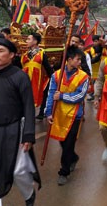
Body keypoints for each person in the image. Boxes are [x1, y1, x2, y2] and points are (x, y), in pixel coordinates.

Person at [0, 38, 41, 206]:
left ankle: (29, 194)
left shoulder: (20, 76)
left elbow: (28, 107)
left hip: (14, 129)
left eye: (1, 51)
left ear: (11, 55)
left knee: (17, 171)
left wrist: (28, 135)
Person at [45, 46, 90, 185]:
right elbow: (51, 93)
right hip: (59, 113)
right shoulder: (56, 75)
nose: (79, 62)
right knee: (62, 141)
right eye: (77, 59)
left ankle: (64, 171)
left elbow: (80, 96)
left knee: (69, 142)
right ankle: (74, 157)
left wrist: (63, 96)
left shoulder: (84, 76)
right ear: (69, 60)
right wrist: (48, 112)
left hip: (75, 115)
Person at [21, 32, 53, 119]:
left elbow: (48, 68)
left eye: (28, 39)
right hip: (26, 80)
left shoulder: (42, 54)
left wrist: (53, 79)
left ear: (35, 42)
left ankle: (41, 112)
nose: (26, 41)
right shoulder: (25, 55)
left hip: (38, 81)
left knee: (39, 97)